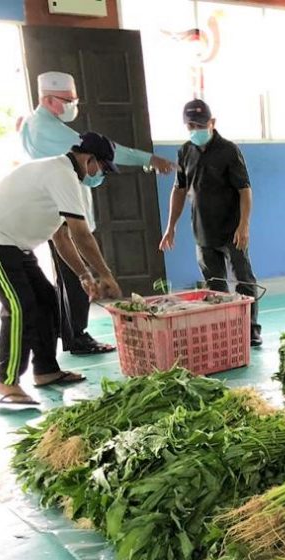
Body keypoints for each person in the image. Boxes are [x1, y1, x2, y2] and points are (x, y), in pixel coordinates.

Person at [0, 132, 123, 406]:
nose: (101, 176)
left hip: (14, 244)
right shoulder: (61, 174)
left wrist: (84, 275)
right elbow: (81, 235)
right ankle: (6, 383)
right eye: (103, 168)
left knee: (47, 301)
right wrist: (105, 275)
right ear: (89, 159)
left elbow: (61, 237)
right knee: (19, 306)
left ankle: (46, 370)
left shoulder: (64, 177)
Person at [21, 71, 174, 355]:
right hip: (58, 210)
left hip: (50, 210)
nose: (73, 105)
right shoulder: (52, 132)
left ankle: (70, 332)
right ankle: (77, 336)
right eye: (68, 100)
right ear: (48, 100)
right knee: (75, 274)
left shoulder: (31, 125)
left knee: (67, 274)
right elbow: (110, 153)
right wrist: (149, 159)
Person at [159, 99, 262, 346]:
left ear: (212, 122)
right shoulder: (185, 151)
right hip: (203, 232)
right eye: (191, 126)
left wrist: (244, 225)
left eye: (200, 125)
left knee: (243, 279)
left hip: (232, 231)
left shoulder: (228, 150)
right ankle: (225, 330)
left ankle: (250, 329)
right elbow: (179, 190)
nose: (196, 130)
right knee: (214, 286)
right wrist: (170, 227)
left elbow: (244, 190)